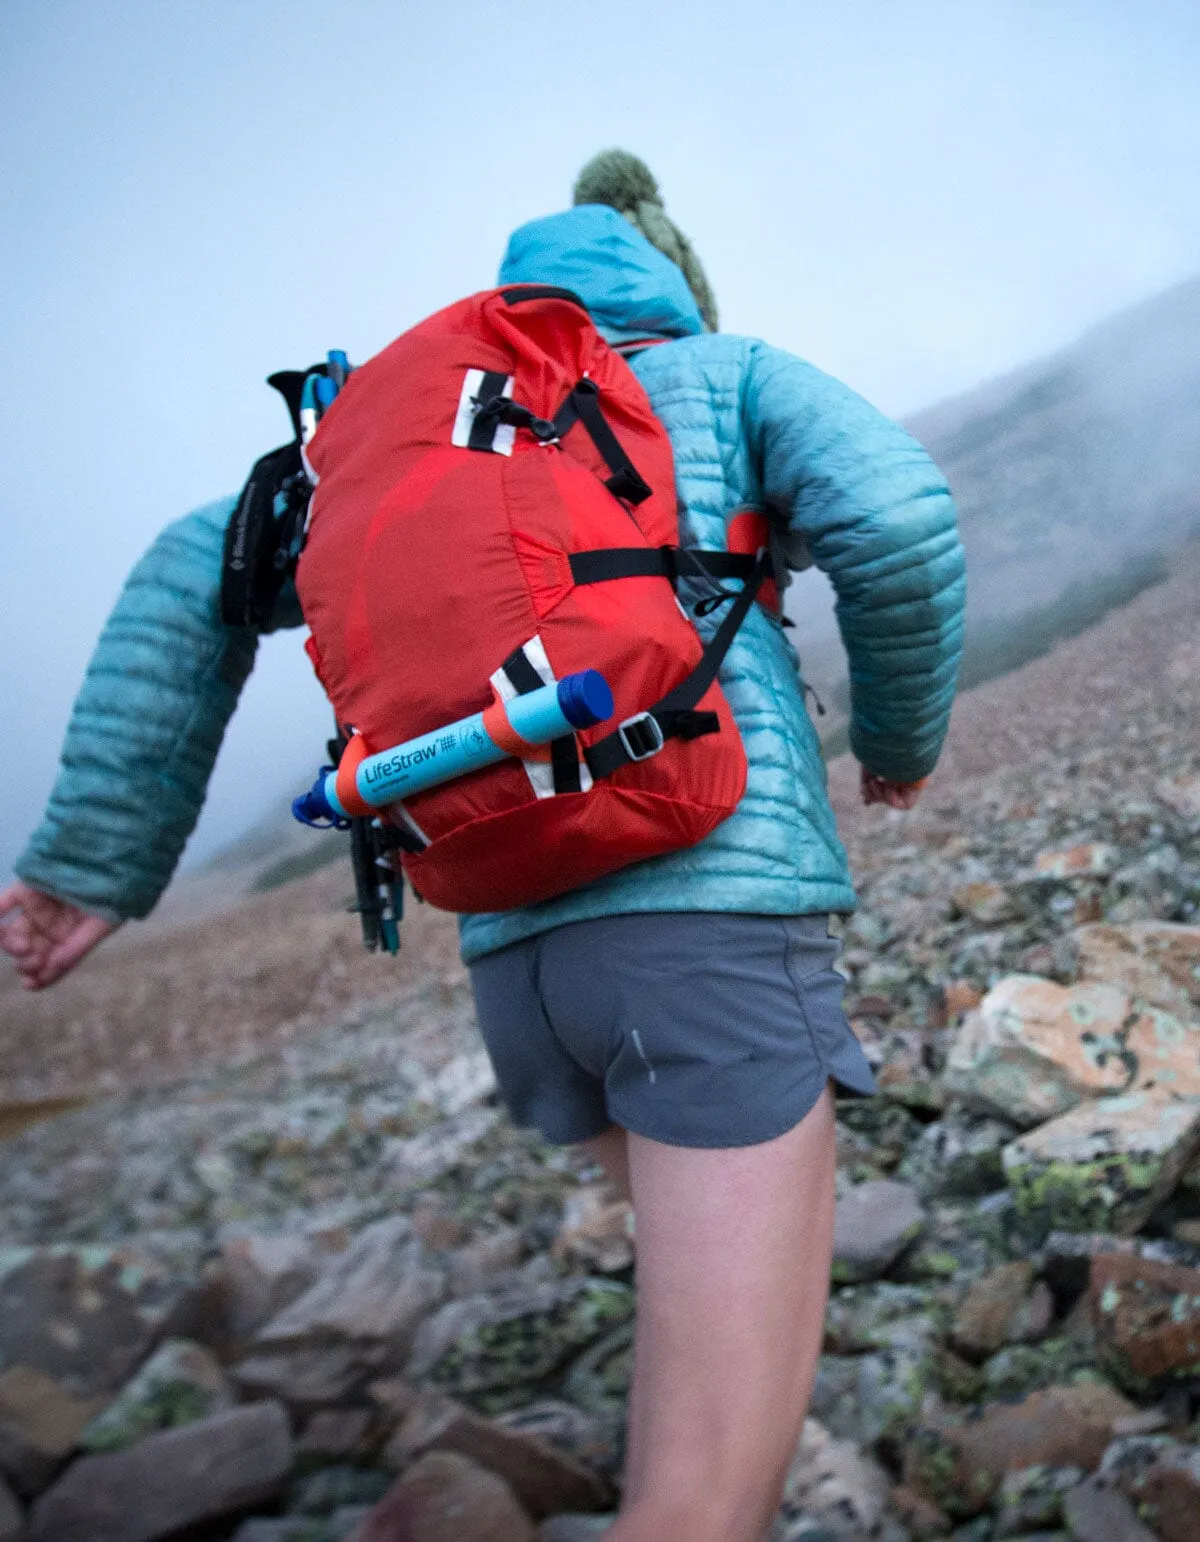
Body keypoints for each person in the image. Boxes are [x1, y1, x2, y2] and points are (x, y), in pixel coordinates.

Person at [1, 151, 965, 1541]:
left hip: (512, 954)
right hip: (706, 924)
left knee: (695, 1342)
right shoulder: (718, 373)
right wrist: (902, 741)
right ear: (675, 283)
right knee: (701, 1501)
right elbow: (903, 517)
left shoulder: (407, 429)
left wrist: (87, 864)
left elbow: (179, 576)